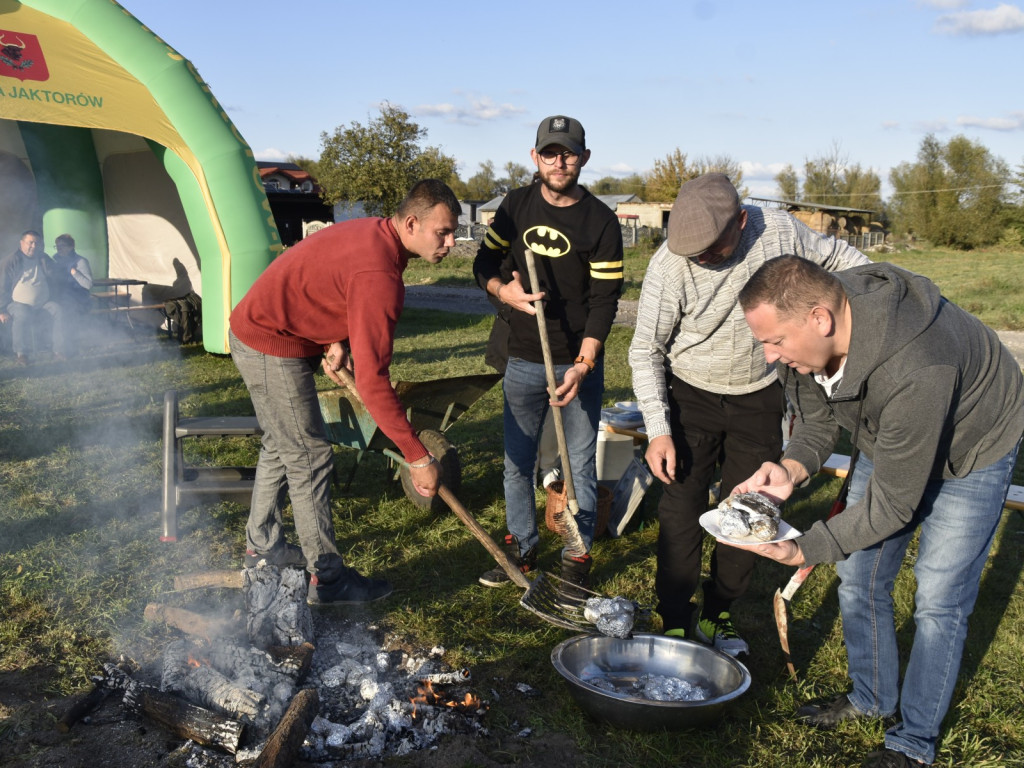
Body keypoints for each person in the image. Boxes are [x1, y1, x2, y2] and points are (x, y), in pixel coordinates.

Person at [731, 255, 1024, 767]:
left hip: (977, 443)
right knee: (860, 572)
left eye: (774, 341)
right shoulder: (813, 333)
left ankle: (913, 743)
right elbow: (819, 422)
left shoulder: (918, 363)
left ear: (820, 319)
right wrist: (792, 467)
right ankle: (871, 699)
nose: (770, 356)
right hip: (891, 429)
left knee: (938, 598)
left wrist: (805, 546)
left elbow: (893, 504)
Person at [627, 173, 871, 656]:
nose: (700, 260)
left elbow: (846, 261)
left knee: (752, 510)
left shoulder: (779, 231)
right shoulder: (669, 265)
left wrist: (889, 298)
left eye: (712, 250)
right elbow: (645, 350)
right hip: (690, 394)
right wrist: (658, 430)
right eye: (691, 252)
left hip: (760, 394)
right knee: (680, 510)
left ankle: (719, 613)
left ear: (741, 221)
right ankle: (674, 617)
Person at [229, 179, 460, 605]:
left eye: (453, 231)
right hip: (268, 340)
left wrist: (334, 339)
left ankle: (263, 548)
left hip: (269, 328)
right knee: (310, 455)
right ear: (411, 223)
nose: (451, 241)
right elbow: (373, 381)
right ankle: (329, 581)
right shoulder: (380, 272)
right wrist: (417, 456)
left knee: (282, 445)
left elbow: (330, 284)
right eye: (442, 232)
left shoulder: (377, 235)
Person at [473, 115, 623, 590]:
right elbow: (484, 261)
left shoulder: (600, 220)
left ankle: (577, 557)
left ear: (585, 157)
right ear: (535, 157)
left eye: (570, 152)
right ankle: (523, 545)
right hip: (522, 356)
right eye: (551, 152)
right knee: (516, 463)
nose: (560, 162)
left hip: (574, 364)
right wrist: (503, 291)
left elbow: (605, 300)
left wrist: (584, 363)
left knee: (578, 464)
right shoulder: (515, 206)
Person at [0, 230, 68, 364]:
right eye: (30, 243)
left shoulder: (43, 258)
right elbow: (2, 286)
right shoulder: (11, 260)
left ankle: (58, 351)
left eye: (36, 243)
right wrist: (1, 310)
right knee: (22, 314)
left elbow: (56, 274)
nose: (33, 246)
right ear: (21, 243)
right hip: (17, 303)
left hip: (42, 303)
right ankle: (21, 354)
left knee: (57, 310)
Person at [50, 233, 94, 311]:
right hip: (60, 299)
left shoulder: (80, 261)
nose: (59, 249)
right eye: (57, 246)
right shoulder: (55, 261)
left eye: (62, 246)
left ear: (71, 247)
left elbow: (88, 285)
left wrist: (74, 273)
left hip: (78, 301)